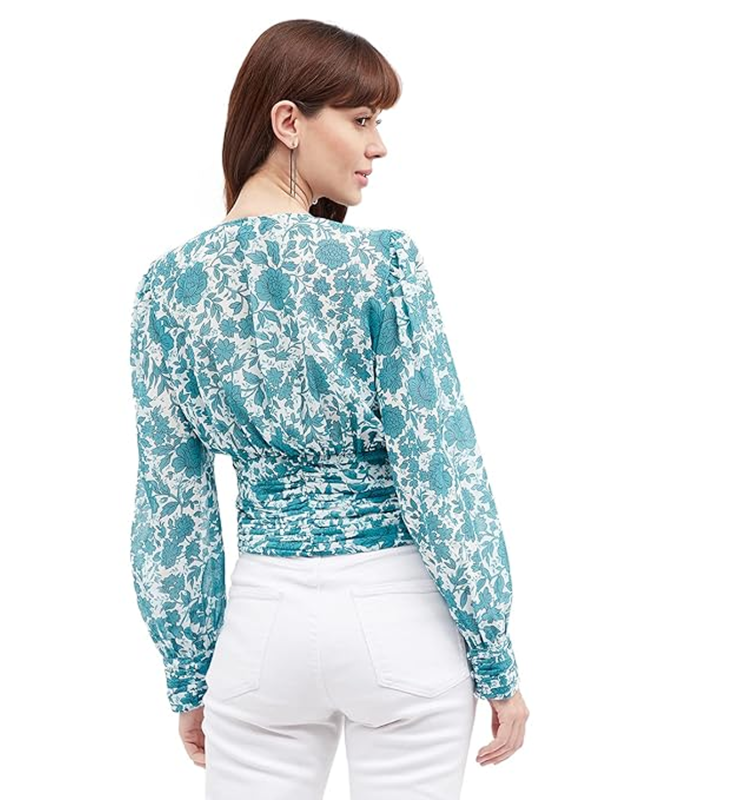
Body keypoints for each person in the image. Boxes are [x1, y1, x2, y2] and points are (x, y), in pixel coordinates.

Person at [129, 18, 529, 800]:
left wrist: (189, 672)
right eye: (362, 119)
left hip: (260, 632)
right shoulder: (381, 266)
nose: (378, 146)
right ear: (288, 121)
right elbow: (440, 472)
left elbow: (170, 505)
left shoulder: (167, 288)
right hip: (398, 623)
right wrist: (495, 658)